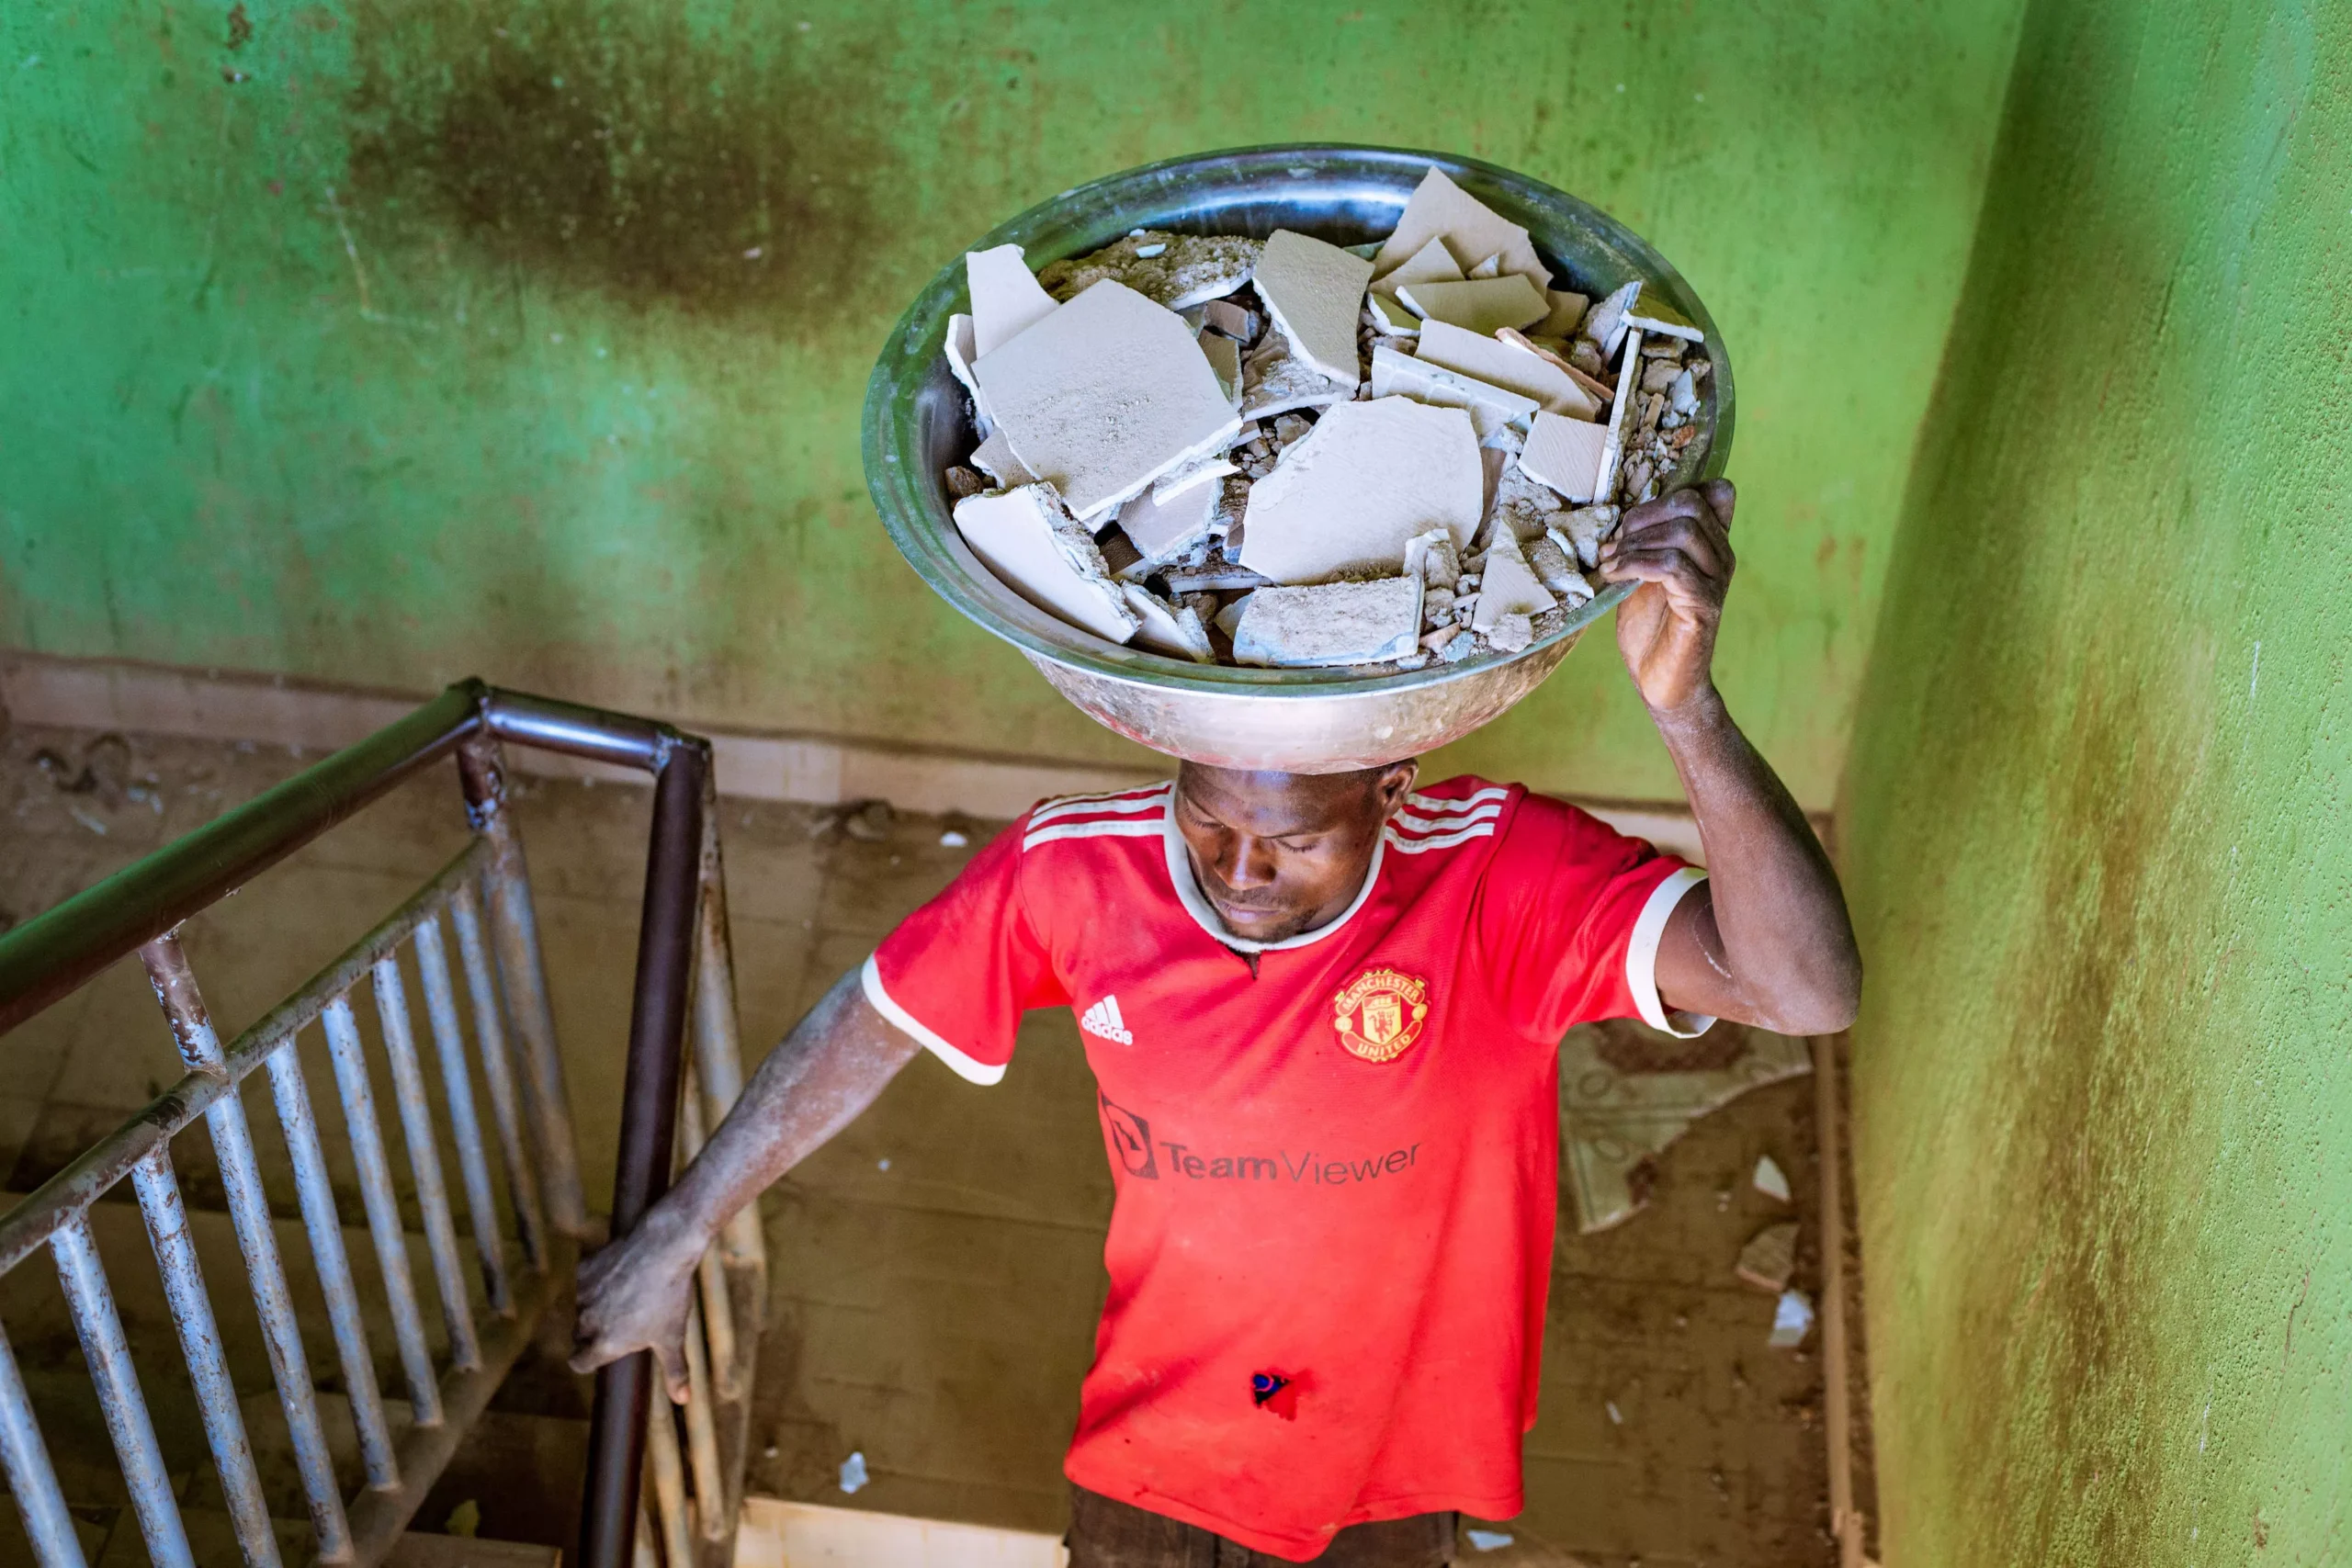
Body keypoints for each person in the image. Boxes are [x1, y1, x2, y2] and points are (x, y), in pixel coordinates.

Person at [571, 480, 1860, 1566]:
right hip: (1155, 1444)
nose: (1237, 873)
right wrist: (682, 1230)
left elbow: (1805, 989)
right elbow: (877, 1015)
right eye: (1210, 819)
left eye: (1293, 840)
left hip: (1394, 1462)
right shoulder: (1077, 869)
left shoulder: (1495, 880)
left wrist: (1687, 710)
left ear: (1389, 781)